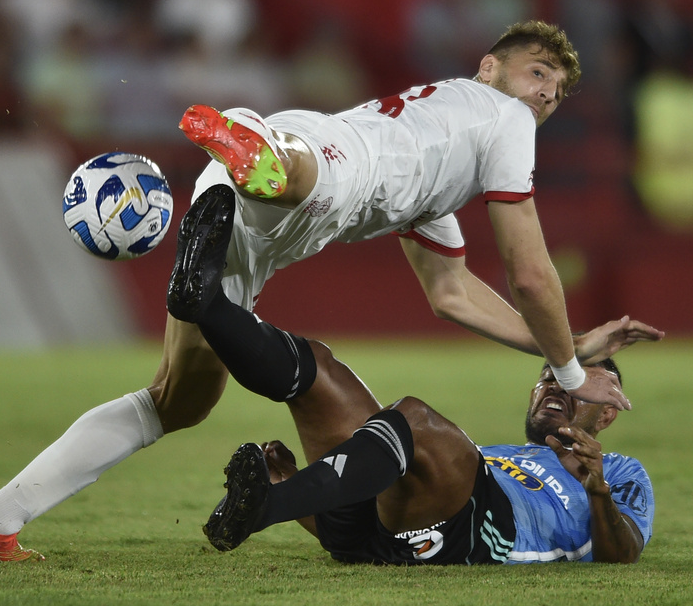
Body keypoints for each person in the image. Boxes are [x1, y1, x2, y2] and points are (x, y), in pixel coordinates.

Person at [0, 20, 663, 562]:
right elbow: (530, 273)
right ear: (489, 68)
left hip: (252, 211)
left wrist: (568, 343)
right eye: (538, 72)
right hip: (316, 167)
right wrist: (572, 374)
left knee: (176, 401)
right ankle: (255, 151)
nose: (546, 93)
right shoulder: (501, 118)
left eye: (557, 90)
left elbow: (452, 293)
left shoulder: (441, 163)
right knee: (307, 174)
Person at [166, 190, 653, 563]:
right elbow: (386, 532)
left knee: (413, 420)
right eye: (550, 377)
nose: (556, 387)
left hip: (488, 535)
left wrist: (598, 492)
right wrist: (300, 486)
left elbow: (624, 552)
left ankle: (267, 504)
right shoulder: (501, 455)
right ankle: (205, 304)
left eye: (577, 384)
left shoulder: (621, 473)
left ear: (607, 414)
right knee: (320, 367)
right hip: (393, 535)